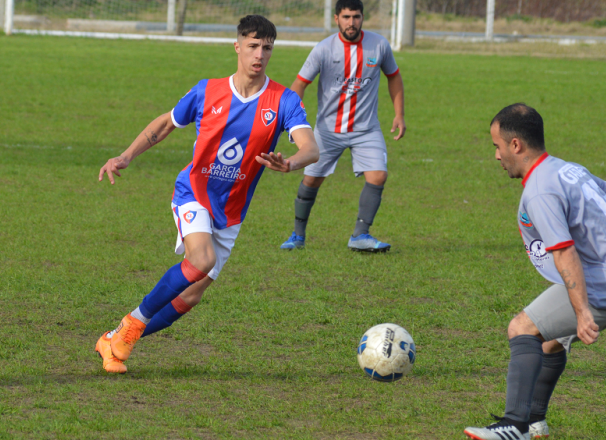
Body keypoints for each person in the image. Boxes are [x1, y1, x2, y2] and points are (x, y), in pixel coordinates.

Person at [93, 15, 319, 374]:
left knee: (191, 295)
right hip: (193, 192)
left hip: (231, 211)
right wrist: (125, 156)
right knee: (201, 259)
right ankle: (131, 325)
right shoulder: (208, 91)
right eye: (253, 46)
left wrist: (290, 163)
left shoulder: (284, 99)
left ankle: (116, 338)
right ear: (238, 47)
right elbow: (166, 123)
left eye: (267, 48)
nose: (259, 55)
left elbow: (311, 148)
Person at [464, 104, 606, 440]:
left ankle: (513, 425)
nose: (496, 156)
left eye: (497, 147)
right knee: (550, 342)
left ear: (515, 144)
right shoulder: (567, 169)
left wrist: (582, 310)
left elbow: (564, 252)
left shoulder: (540, 190)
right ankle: (535, 422)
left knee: (522, 329)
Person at [279, 0, 406, 252]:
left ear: (362, 18)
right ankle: (298, 235)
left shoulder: (379, 45)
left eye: (356, 17)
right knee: (312, 180)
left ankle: (360, 235)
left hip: (366, 129)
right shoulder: (323, 49)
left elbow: (394, 77)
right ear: (336, 18)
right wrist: (290, 120)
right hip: (328, 131)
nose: (351, 22)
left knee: (378, 175)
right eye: (346, 17)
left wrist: (399, 114)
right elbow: (299, 84)